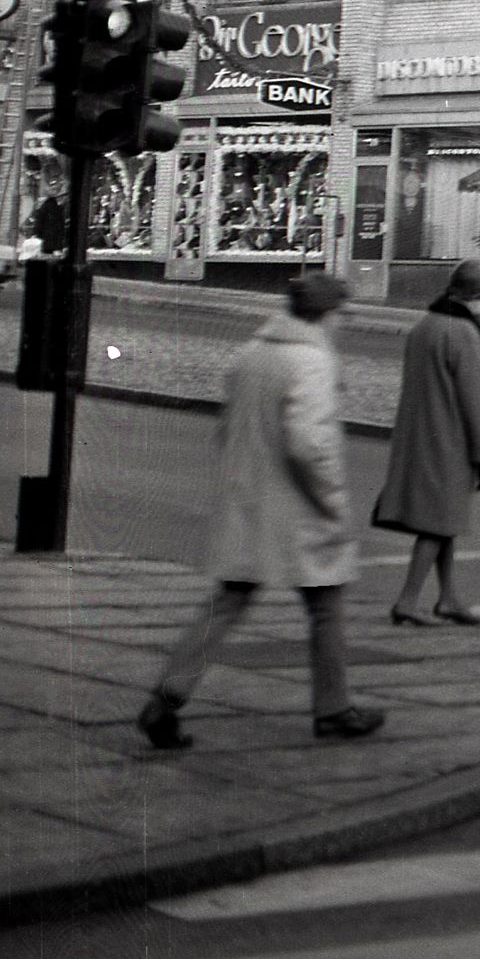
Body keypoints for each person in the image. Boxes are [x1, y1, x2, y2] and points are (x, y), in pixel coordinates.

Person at [137, 270, 384, 752]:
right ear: (326, 315)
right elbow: (309, 446)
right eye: (339, 316)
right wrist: (333, 504)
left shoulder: (252, 353)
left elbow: (227, 429)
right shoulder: (311, 362)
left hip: (249, 501)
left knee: (226, 604)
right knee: (326, 606)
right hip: (298, 508)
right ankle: (333, 709)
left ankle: (164, 700)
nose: (340, 326)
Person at [375, 258, 480, 626]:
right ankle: (408, 601)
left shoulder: (425, 326)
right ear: (477, 296)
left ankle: (448, 597)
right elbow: (474, 400)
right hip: (450, 442)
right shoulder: (463, 333)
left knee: (445, 520)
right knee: (436, 525)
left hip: (419, 435)